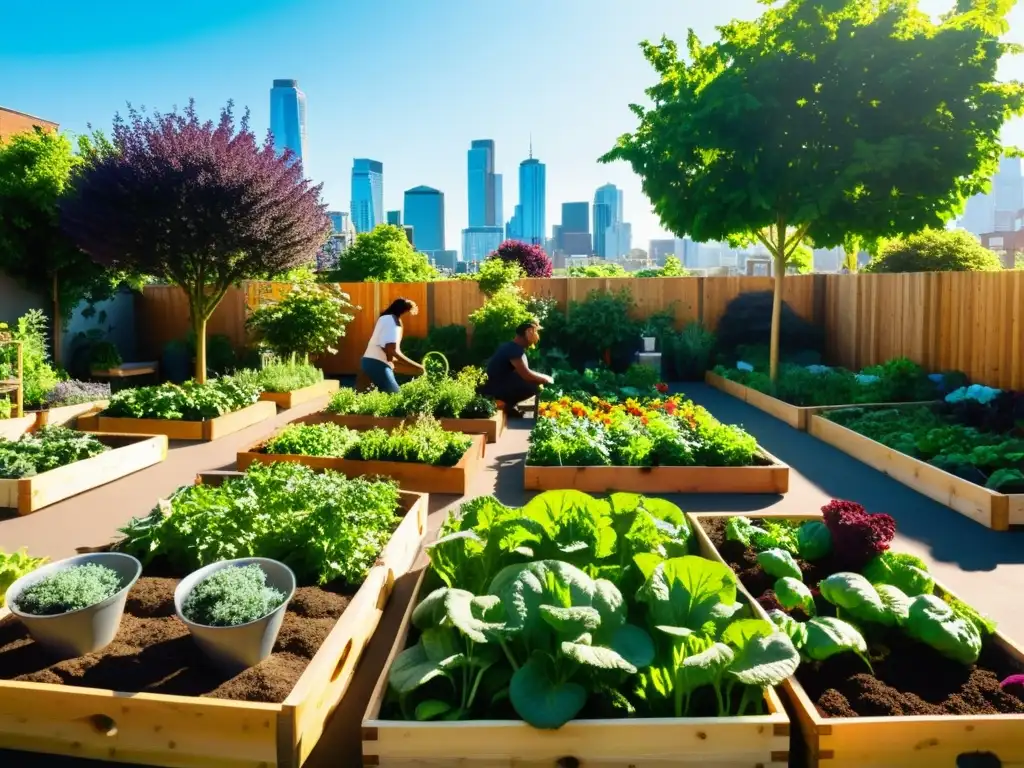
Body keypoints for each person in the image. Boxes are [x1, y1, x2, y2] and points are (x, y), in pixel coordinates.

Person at [479, 320, 553, 417]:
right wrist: (545, 379)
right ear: (528, 333)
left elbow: (523, 371)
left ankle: (509, 407)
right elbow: (526, 375)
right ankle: (505, 406)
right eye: (534, 332)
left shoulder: (511, 347)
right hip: (495, 389)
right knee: (532, 385)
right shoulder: (514, 350)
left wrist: (543, 376)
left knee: (529, 380)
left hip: (495, 386)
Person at [361, 298, 424, 393]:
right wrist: (418, 366)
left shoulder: (384, 318)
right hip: (376, 364)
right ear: (404, 310)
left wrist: (413, 369)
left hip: (367, 362)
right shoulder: (393, 321)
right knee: (396, 397)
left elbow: (389, 355)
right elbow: (391, 350)